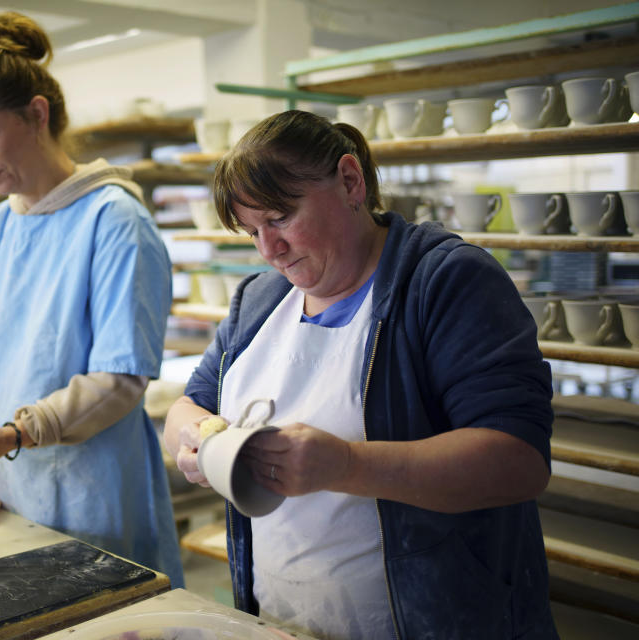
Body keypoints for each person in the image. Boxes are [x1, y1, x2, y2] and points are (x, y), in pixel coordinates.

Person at [163, 110, 556, 637]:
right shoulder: (258, 301)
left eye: (279, 218)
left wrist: (346, 464)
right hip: (285, 615)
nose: (268, 250)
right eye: (252, 230)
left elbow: (518, 461)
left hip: (432, 619)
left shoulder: (444, 281)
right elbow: (191, 403)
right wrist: (193, 438)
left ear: (350, 181)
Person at [0, 11, 183, 588]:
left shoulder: (115, 221)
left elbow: (119, 381)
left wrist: (15, 435)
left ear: (37, 114)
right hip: (1, 484)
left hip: (91, 493)